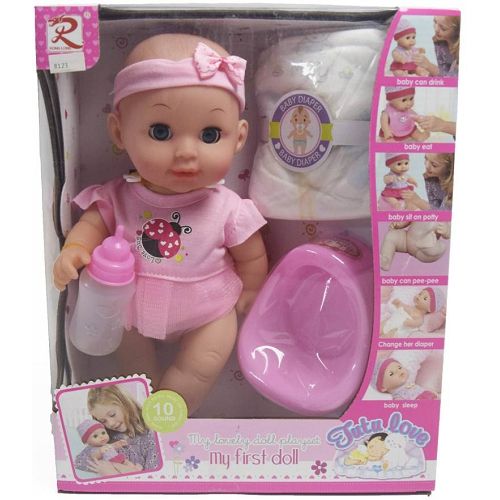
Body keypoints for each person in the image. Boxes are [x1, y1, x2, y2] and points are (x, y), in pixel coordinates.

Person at [52, 34, 268, 415]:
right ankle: (138, 404)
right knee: (130, 355)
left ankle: (171, 409)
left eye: (210, 135)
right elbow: (92, 223)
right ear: (119, 132)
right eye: (161, 132)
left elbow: (250, 255)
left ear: (238, 139)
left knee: (204, 359)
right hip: (132, 307)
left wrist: (252, 289)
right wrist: (75, 249)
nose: (186, 152)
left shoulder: (227, 207)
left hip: (209, 308)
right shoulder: (118, 196)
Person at [75, 385, 160, 476]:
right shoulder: (105, 439)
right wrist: (100, 455)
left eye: (112, 415)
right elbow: (79, 462)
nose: (110, 424)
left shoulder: (151, 435)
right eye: (103, 421)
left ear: (125, 404)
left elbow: (152, 478)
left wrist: (114, 471)